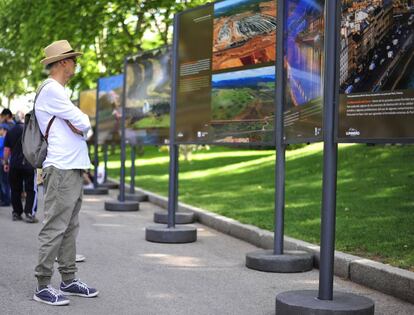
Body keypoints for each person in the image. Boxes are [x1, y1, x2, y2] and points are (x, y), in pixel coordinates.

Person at [33, 40, 98, 306]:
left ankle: (69, 280)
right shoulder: (51, 90)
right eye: (73, 59)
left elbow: (83, 126)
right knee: (55, 227)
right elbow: (83, 122)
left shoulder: (58, 92)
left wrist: (81, 123)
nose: (75, 64)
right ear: (63, 63)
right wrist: (82, 122)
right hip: (60, 169)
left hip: (70, 167)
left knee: (69, 227)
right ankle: (42, 285)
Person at [3, 111, 38, 222]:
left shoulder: (11, 131)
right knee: (31, 189)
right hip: (29, 164)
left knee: (15, 189)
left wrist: (6, 162)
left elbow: (7, 149)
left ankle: (17, 213)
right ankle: (29, 213)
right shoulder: (32, 131)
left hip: (14, 165)